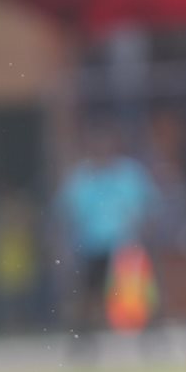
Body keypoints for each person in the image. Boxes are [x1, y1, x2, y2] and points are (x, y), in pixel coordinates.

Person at [49, 120, 157, 345]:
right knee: (88, 297)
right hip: (93, 247)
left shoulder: (129, 174)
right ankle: (83, 340)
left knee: (140, 295)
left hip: (126, 247)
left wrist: (145, 238)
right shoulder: (82, 178)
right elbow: (66, 214)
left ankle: (151, 338)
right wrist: (65, 247)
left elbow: (148, 208)